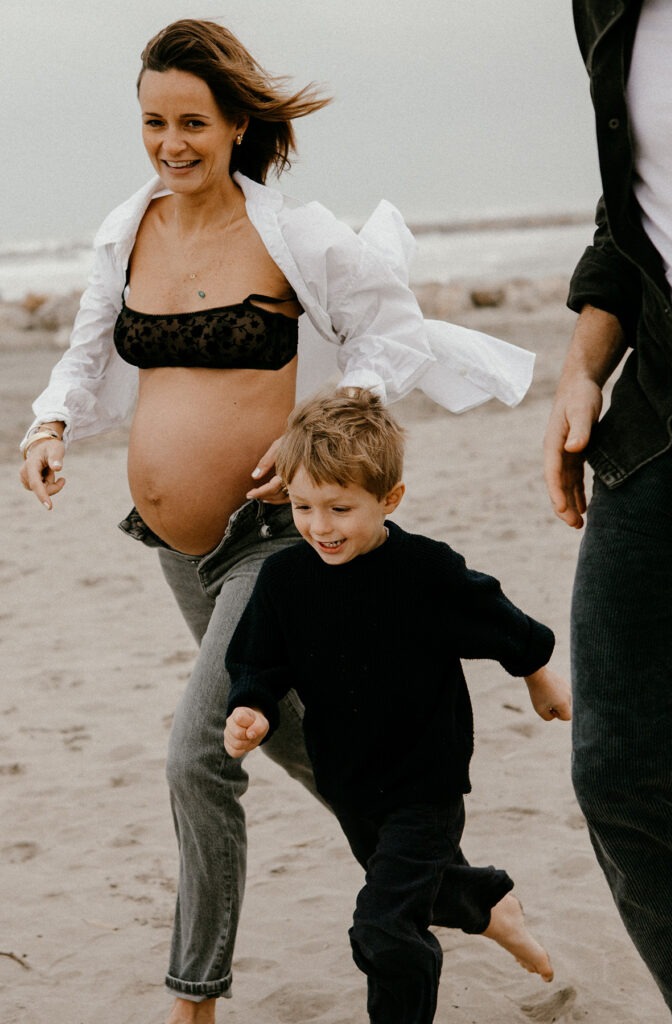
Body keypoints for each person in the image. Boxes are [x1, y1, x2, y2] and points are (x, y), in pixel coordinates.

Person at [18, 18, 538, 1024]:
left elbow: (383, 333)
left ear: (234, 123)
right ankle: (464, 890)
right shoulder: (125, 230)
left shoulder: (291, 235)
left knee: (197, 755)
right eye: (153, 122)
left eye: (191, 123)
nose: (170, 143)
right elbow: (87, 355)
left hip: (274, 544)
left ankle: (193, 998)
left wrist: (317, 433)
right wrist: (47, 424)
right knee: (312, 748)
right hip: (179, 550)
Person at [225, 388, 571, 1024]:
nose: (320, 526)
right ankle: (489, 905)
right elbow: (258, 662)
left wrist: (537, 674)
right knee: (422, 893)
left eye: (340, 508)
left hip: (425, 784)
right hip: (350, 785)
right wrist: (253, 707)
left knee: (384, 929)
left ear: (390, 499)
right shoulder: (285, 581)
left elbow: (493, 616)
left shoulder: (423, 571)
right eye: (303, 507)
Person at [544, 2, 672, 1020]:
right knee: (619, 768)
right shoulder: (607, 8)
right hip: (663, 415)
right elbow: (628, 208)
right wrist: (579, 370)